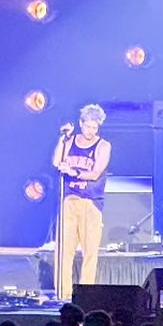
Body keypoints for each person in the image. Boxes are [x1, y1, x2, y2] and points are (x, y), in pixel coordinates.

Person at [52, 104, 112, 302]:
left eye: (94, 128)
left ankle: (86, 295)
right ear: (80, 124)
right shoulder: (70, 141)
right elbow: (56, 161)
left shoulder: (103, 146)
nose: (90, 131)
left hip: (90, 202)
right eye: (87, 127)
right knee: (65, 250)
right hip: (70, 199)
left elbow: (95, 173)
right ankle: (63, 294)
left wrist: (75, 172)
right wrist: (63, 138)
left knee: (89, 252)